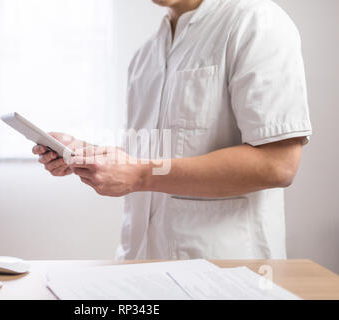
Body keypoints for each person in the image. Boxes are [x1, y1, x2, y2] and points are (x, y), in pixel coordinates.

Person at [32, 0, 312, 260]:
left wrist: (140, 175)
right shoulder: (145, 55)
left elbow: (277, 164)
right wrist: (85, 155)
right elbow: (149, 157)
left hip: (226, 271)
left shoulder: (255, 21)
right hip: (139, 263)